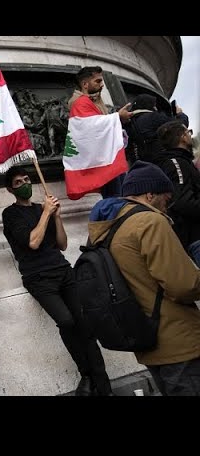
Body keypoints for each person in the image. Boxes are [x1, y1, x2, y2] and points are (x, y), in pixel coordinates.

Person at [88, 161, 200, 396]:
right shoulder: (150, 222)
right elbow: (182, 285)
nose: (166, 208)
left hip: (147, 339)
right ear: (150, 194)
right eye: (166, 200)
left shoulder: (106, 230)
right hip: (178, 340)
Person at [2, 166, 113, 396]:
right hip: (39, 278)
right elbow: (32, 242)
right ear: (10, 190)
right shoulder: (11, 215)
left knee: (85, 325)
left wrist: (57, 217)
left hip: (62, 270)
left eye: (26, 179)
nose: (24, 184)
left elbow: (62, 244)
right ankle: (86, 374)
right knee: (66, 321)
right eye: (18, 182)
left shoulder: (43, 209)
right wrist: (45, 214)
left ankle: (103, 387)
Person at [67, 66, 132, 198]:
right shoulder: (77, 102)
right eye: (97, 81)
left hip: (107, 154)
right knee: (115, 196)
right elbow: (89, 127)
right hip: (101, 159)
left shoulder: (95, 98)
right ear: (85, 84)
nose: (101, 85)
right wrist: (117, 117)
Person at [153, 121, 200, 264]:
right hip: (195, 236)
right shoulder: (175, 163)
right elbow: (182, 201)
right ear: (182, 137)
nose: (190, 136)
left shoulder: (181, 161)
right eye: (188, 132)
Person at [125, 94, 189, 164]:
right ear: (149, 106)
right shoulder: (153, 117)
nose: (156, 108)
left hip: (137, 165)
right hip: (160, 163)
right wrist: (180, 114)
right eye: (154, 105)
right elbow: (180, 126)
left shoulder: (129, 122)